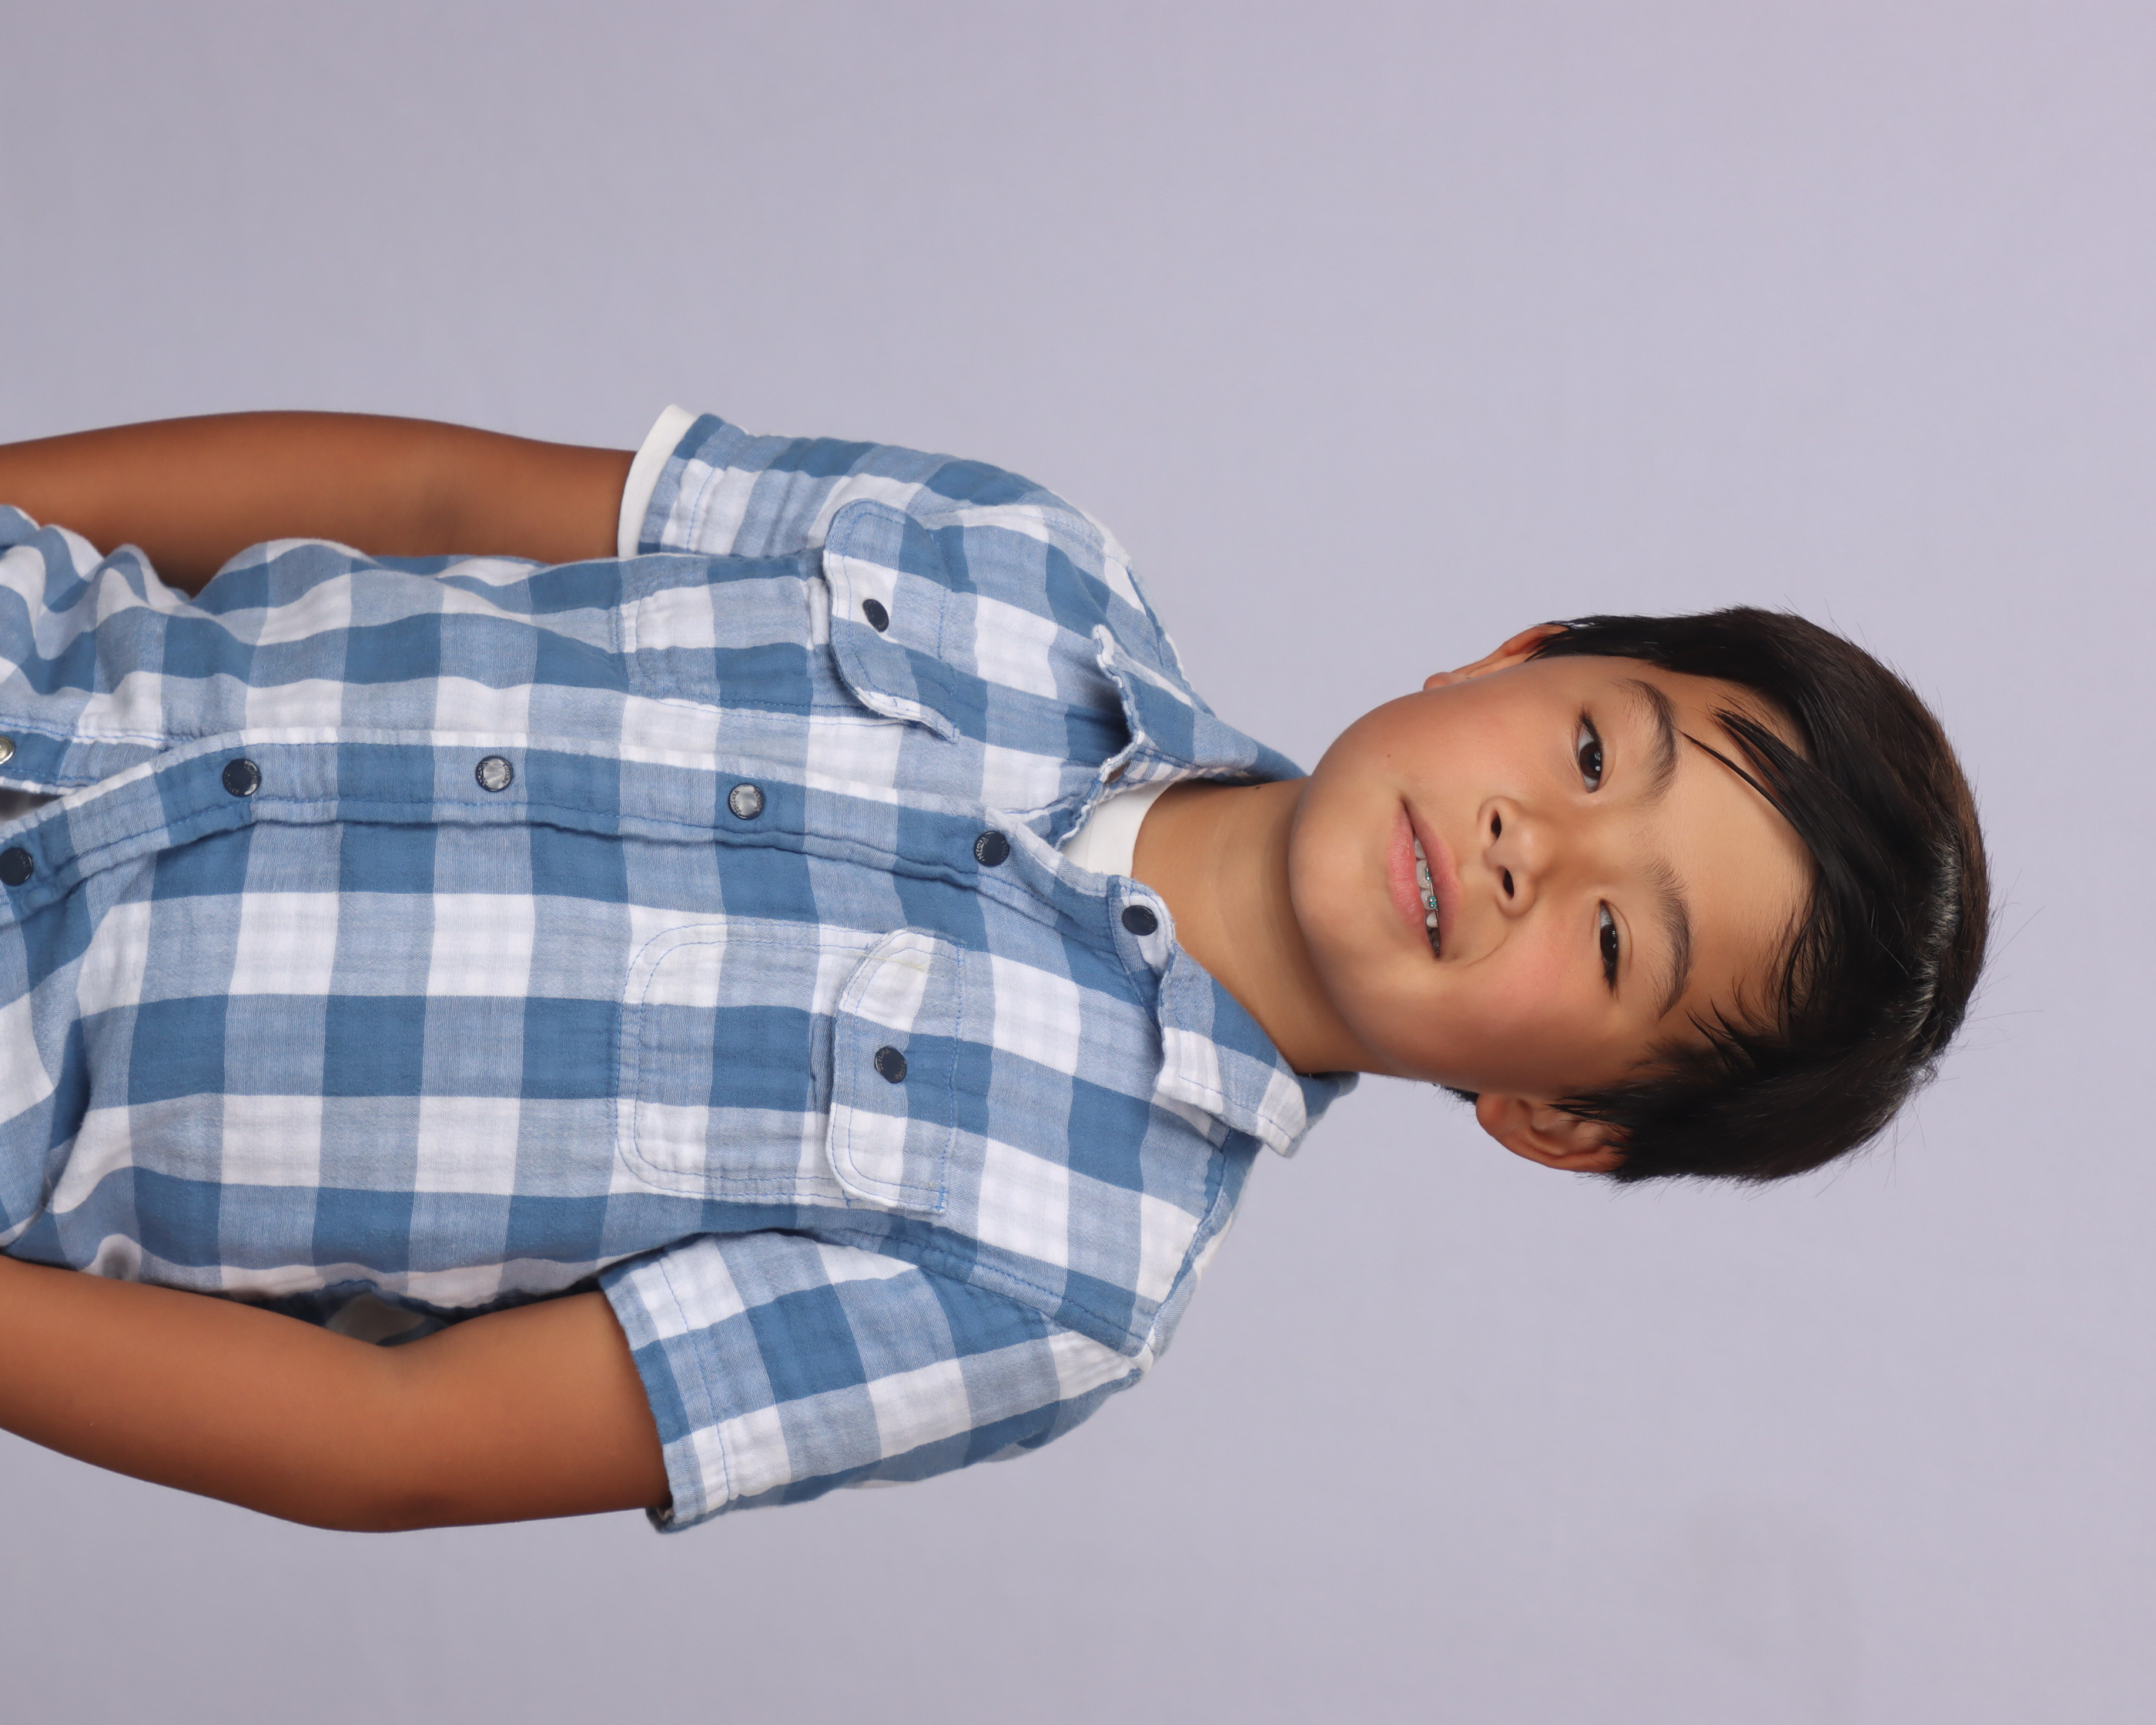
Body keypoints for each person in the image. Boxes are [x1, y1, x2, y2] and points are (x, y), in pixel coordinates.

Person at [0, 407, 1987, 1533]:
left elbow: (395, 1442)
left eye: (1619, 941)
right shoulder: (1016, 562)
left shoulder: (1061, 1281)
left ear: (1561, 1121)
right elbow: (442, 505)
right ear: (1522, 653)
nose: (1529, 847)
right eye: (1595, 754)